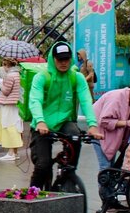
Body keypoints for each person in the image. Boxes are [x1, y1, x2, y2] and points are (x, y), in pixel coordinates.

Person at [28, 41, 97, 190]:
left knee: (75, 135)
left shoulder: (76, 77)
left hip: (65, 121)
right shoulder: (42, 77)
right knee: (43, 165)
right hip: (42, 124)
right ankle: (32, 196)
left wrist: (92, 125)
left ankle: (67, 175)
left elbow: (86, 100)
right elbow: (35, 100)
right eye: (60, 59)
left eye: (66, 59)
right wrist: (40, 121)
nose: (63, 62)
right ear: (53, 59)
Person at [88, 83, 130, 170]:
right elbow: (104, 121)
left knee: (111, 168)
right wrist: (127, 123)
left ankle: (108, 183)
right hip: (98, 132)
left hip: (111, 135)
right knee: (106, 168)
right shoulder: (116, 98)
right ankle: (104, 183)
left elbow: (129, 121)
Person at [0, 58, 23, 161]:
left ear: (7, 65)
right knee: (15, 126)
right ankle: (15, 152)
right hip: (15, 104)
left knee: (9, 127)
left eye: (4, 65)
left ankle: (11, 153)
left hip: (8, 104)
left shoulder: (10, 75)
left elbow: (6, 91)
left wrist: (1, 82)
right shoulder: (18, 74)